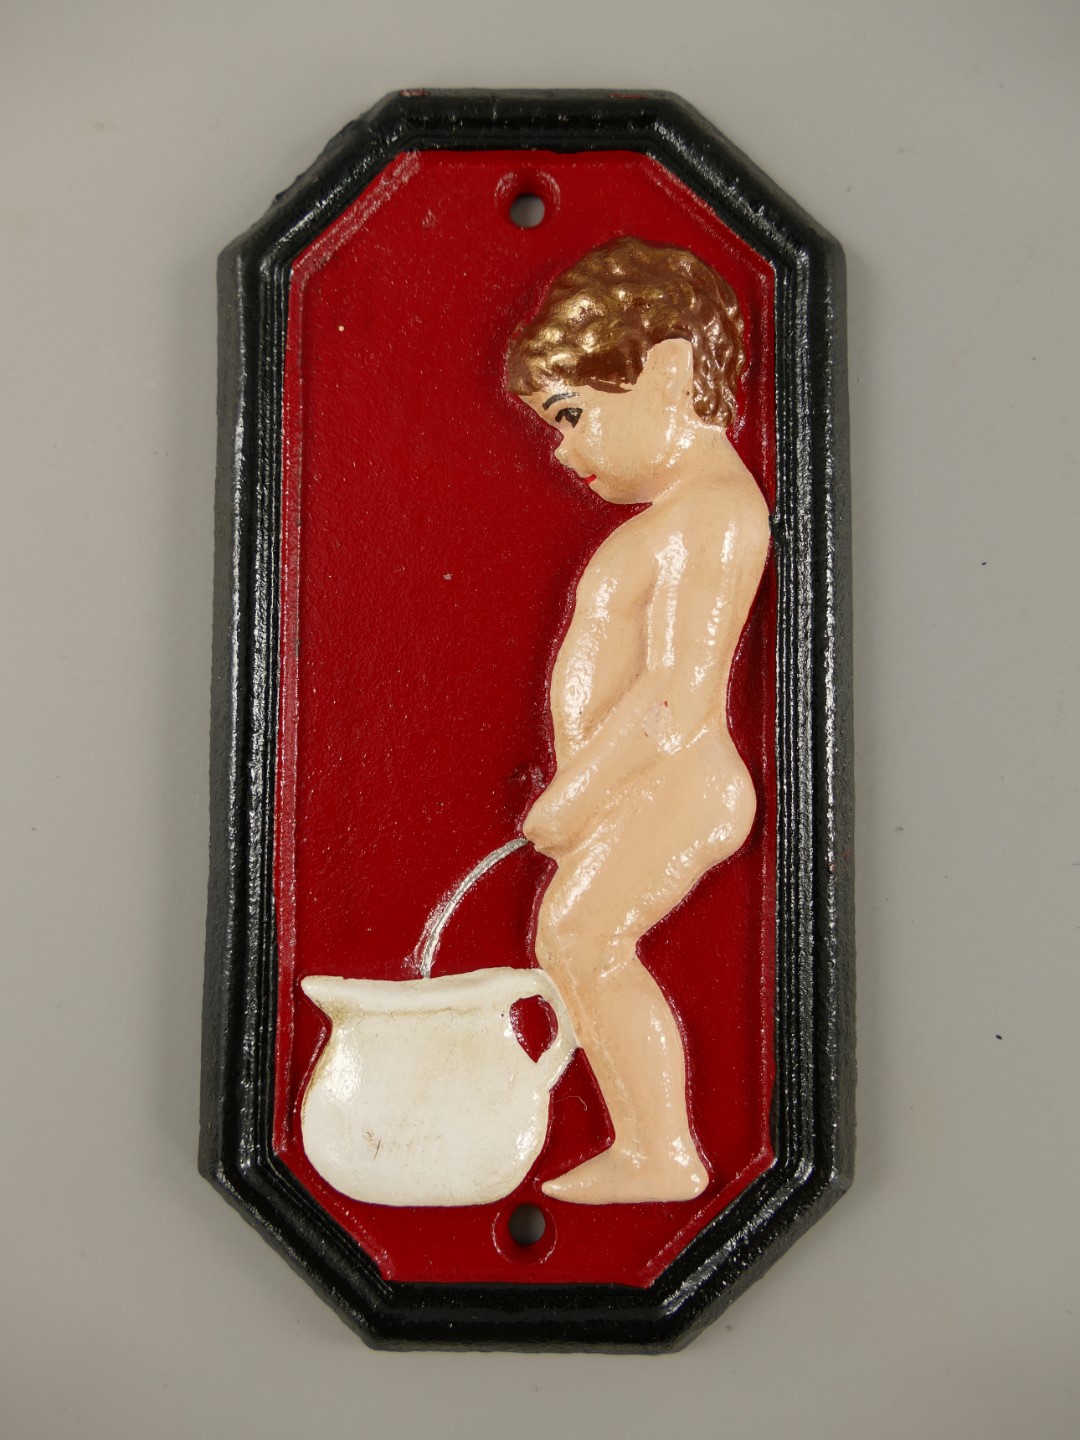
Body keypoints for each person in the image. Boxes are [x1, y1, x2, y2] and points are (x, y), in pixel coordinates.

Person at [506, 237, 770, 1203]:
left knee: (582, 941)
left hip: (680, 780)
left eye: (574, 415)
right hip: (642, 788)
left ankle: (662, 1153)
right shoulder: (679, 515)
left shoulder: (713, 514)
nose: (564, 450)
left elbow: (676, 695)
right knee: (575, 943)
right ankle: (649, 1145)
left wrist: (574, 801)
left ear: (667, 372)